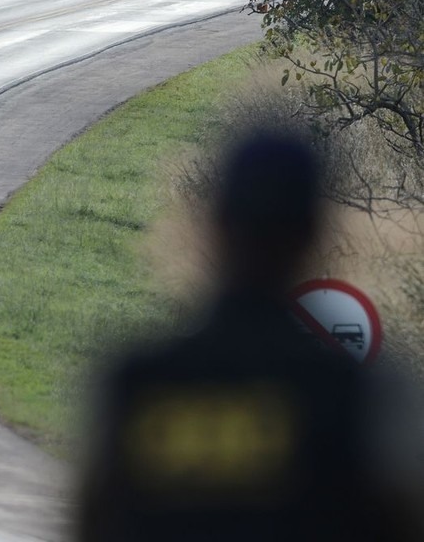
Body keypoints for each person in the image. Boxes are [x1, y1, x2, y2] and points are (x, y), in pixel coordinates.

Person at [75, 128, 424, 542]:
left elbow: (93, 518)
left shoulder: (137, 384)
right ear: (314, 231)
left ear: (216, 223)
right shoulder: (366, 396)